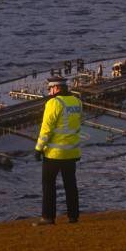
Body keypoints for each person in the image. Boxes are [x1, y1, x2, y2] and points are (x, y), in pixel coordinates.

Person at [32, 76, 82, 226]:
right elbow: (77, 125)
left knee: (49, 186)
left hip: (54, 154)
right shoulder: (77, 102)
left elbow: (46, 129)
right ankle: (73, 216)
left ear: (56, 88)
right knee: (71, 186)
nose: (50, 91)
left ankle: (48, 217)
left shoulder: (54, 103)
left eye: (50, 88)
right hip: (71, 152)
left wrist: (38, 149)